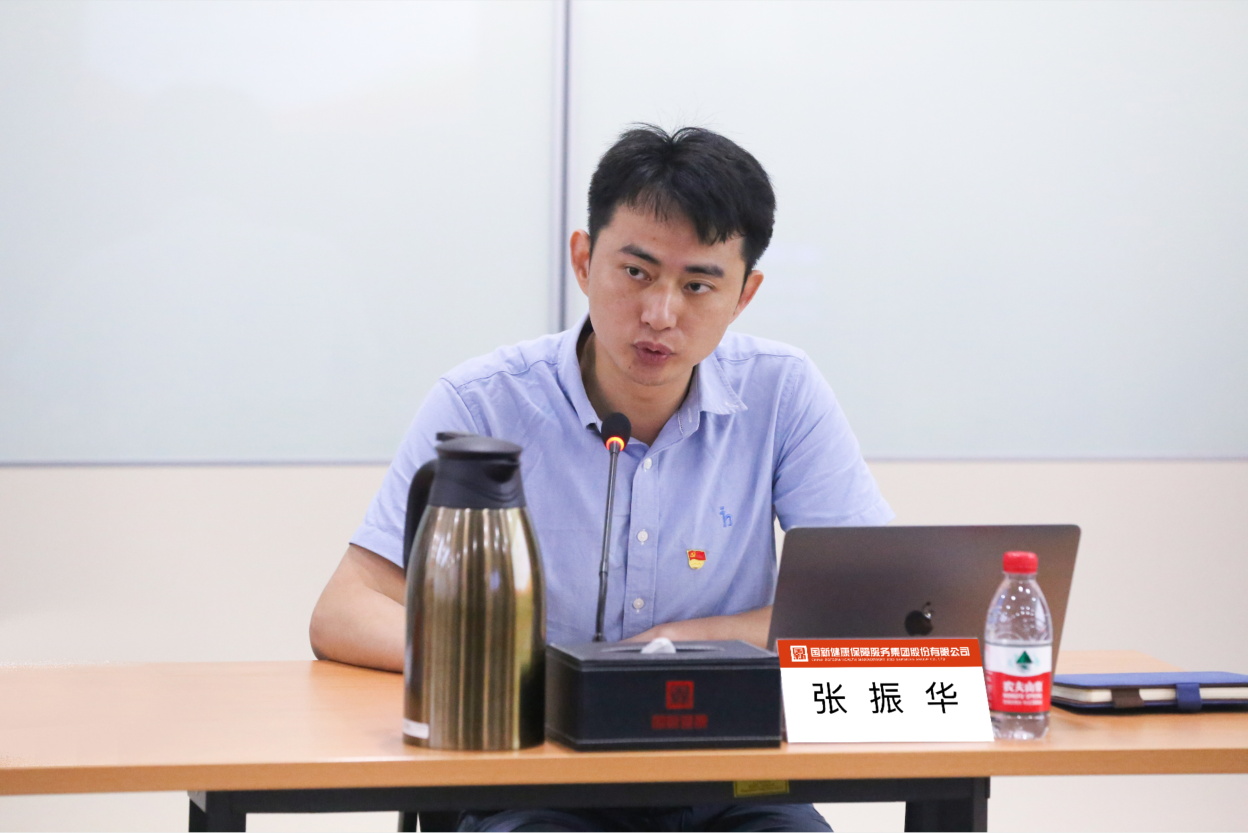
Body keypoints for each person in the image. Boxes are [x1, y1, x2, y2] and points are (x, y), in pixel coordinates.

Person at [310, 125, 893, 832]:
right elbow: (346, 610)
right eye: (637, 272)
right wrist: (548, 676)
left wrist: (677, 646)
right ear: (584, 260)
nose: (660, 314)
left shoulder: (783, 394)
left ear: (744, 295)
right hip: (537, 774)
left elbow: (864, 610)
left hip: (735, 775)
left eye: (698, 285)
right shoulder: (484, 403)